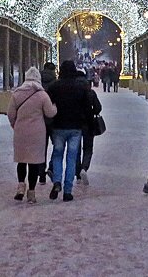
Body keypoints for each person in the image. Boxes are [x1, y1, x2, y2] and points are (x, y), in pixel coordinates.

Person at [46, 59, 95, 201]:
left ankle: (56, 181)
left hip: (58, 126)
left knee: (57, 155)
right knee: (72, 158)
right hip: (75, 127)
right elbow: (87, 110)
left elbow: (49, 107)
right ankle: (68, 191)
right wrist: (90, 126)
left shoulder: (54, 87)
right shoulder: (81, 88)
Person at [7, 66, 56, 203]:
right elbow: (50, 113)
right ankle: (31, 193)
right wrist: (55, 107)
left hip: (21, 131)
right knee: (34, 163)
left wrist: (15, 125)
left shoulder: (17, 93)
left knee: (21, 161)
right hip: (37, 132)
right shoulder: (42, 95)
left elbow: (10, 114)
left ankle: (21, 186)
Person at [75, 69, 102, 185]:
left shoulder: (72, 91)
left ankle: (77, 174)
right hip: (89, 123)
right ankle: (84, 168)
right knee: (88, 148)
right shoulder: (90, 92)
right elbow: (98, 108)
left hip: (75, 124)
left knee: (75, 149)